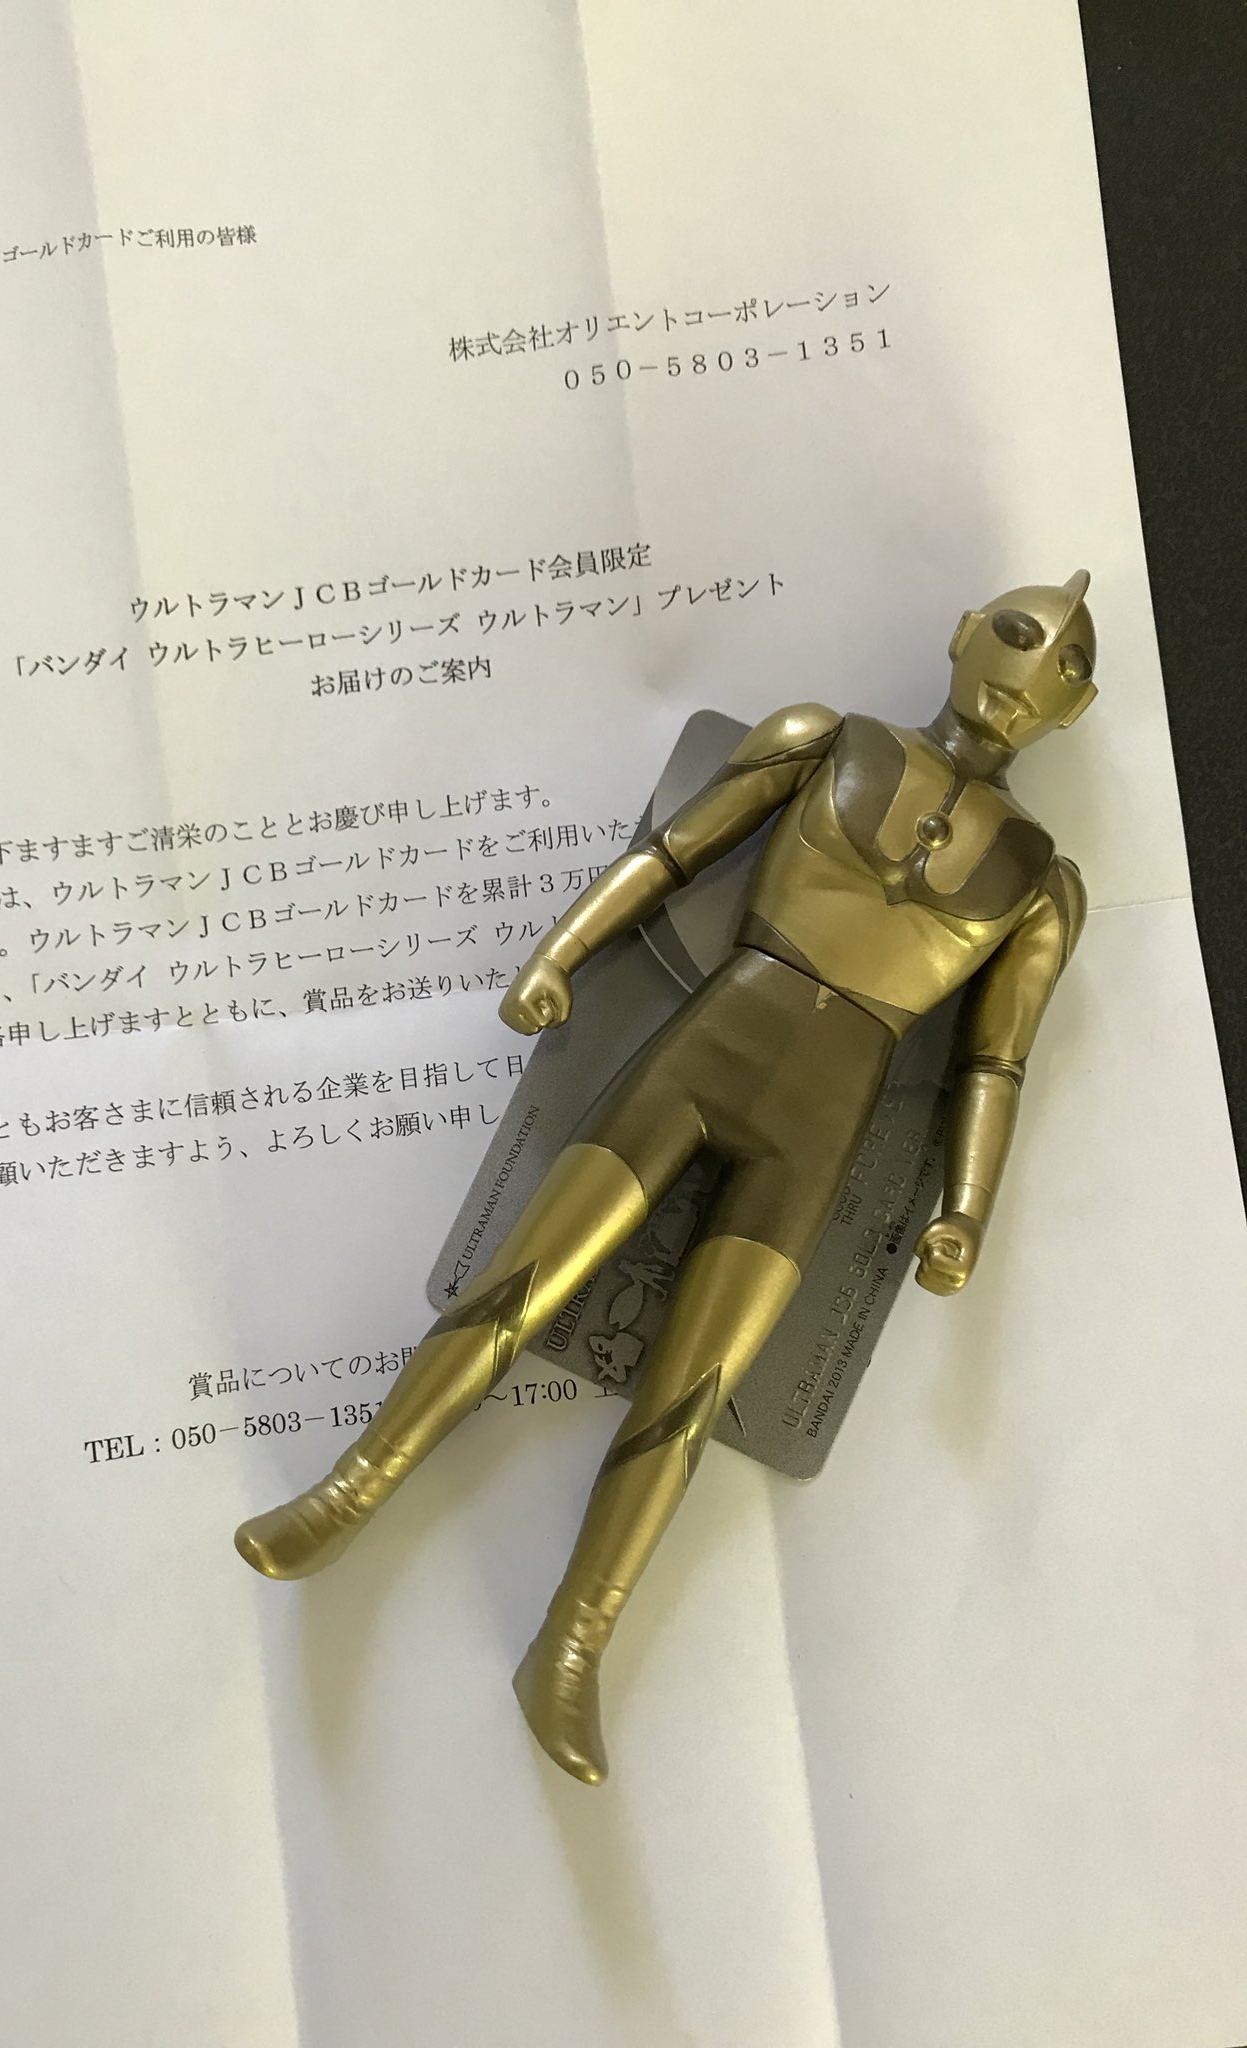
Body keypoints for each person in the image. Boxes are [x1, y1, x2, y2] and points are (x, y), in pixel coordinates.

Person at [235, 573, 1097, 1785]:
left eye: (1064, 665)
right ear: (963, 632)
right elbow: (671, 853)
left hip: (818, 1130)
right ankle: (350, 1489)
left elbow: (995, 1062)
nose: (1030, 670)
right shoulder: (821, 739)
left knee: (689, 1395)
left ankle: (574, 1642)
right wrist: (558, 954)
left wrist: (966, 1208)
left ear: (1077, 706)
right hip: (702, 1051)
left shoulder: (1041, 885)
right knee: (515, 1283)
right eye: (1016, 633)